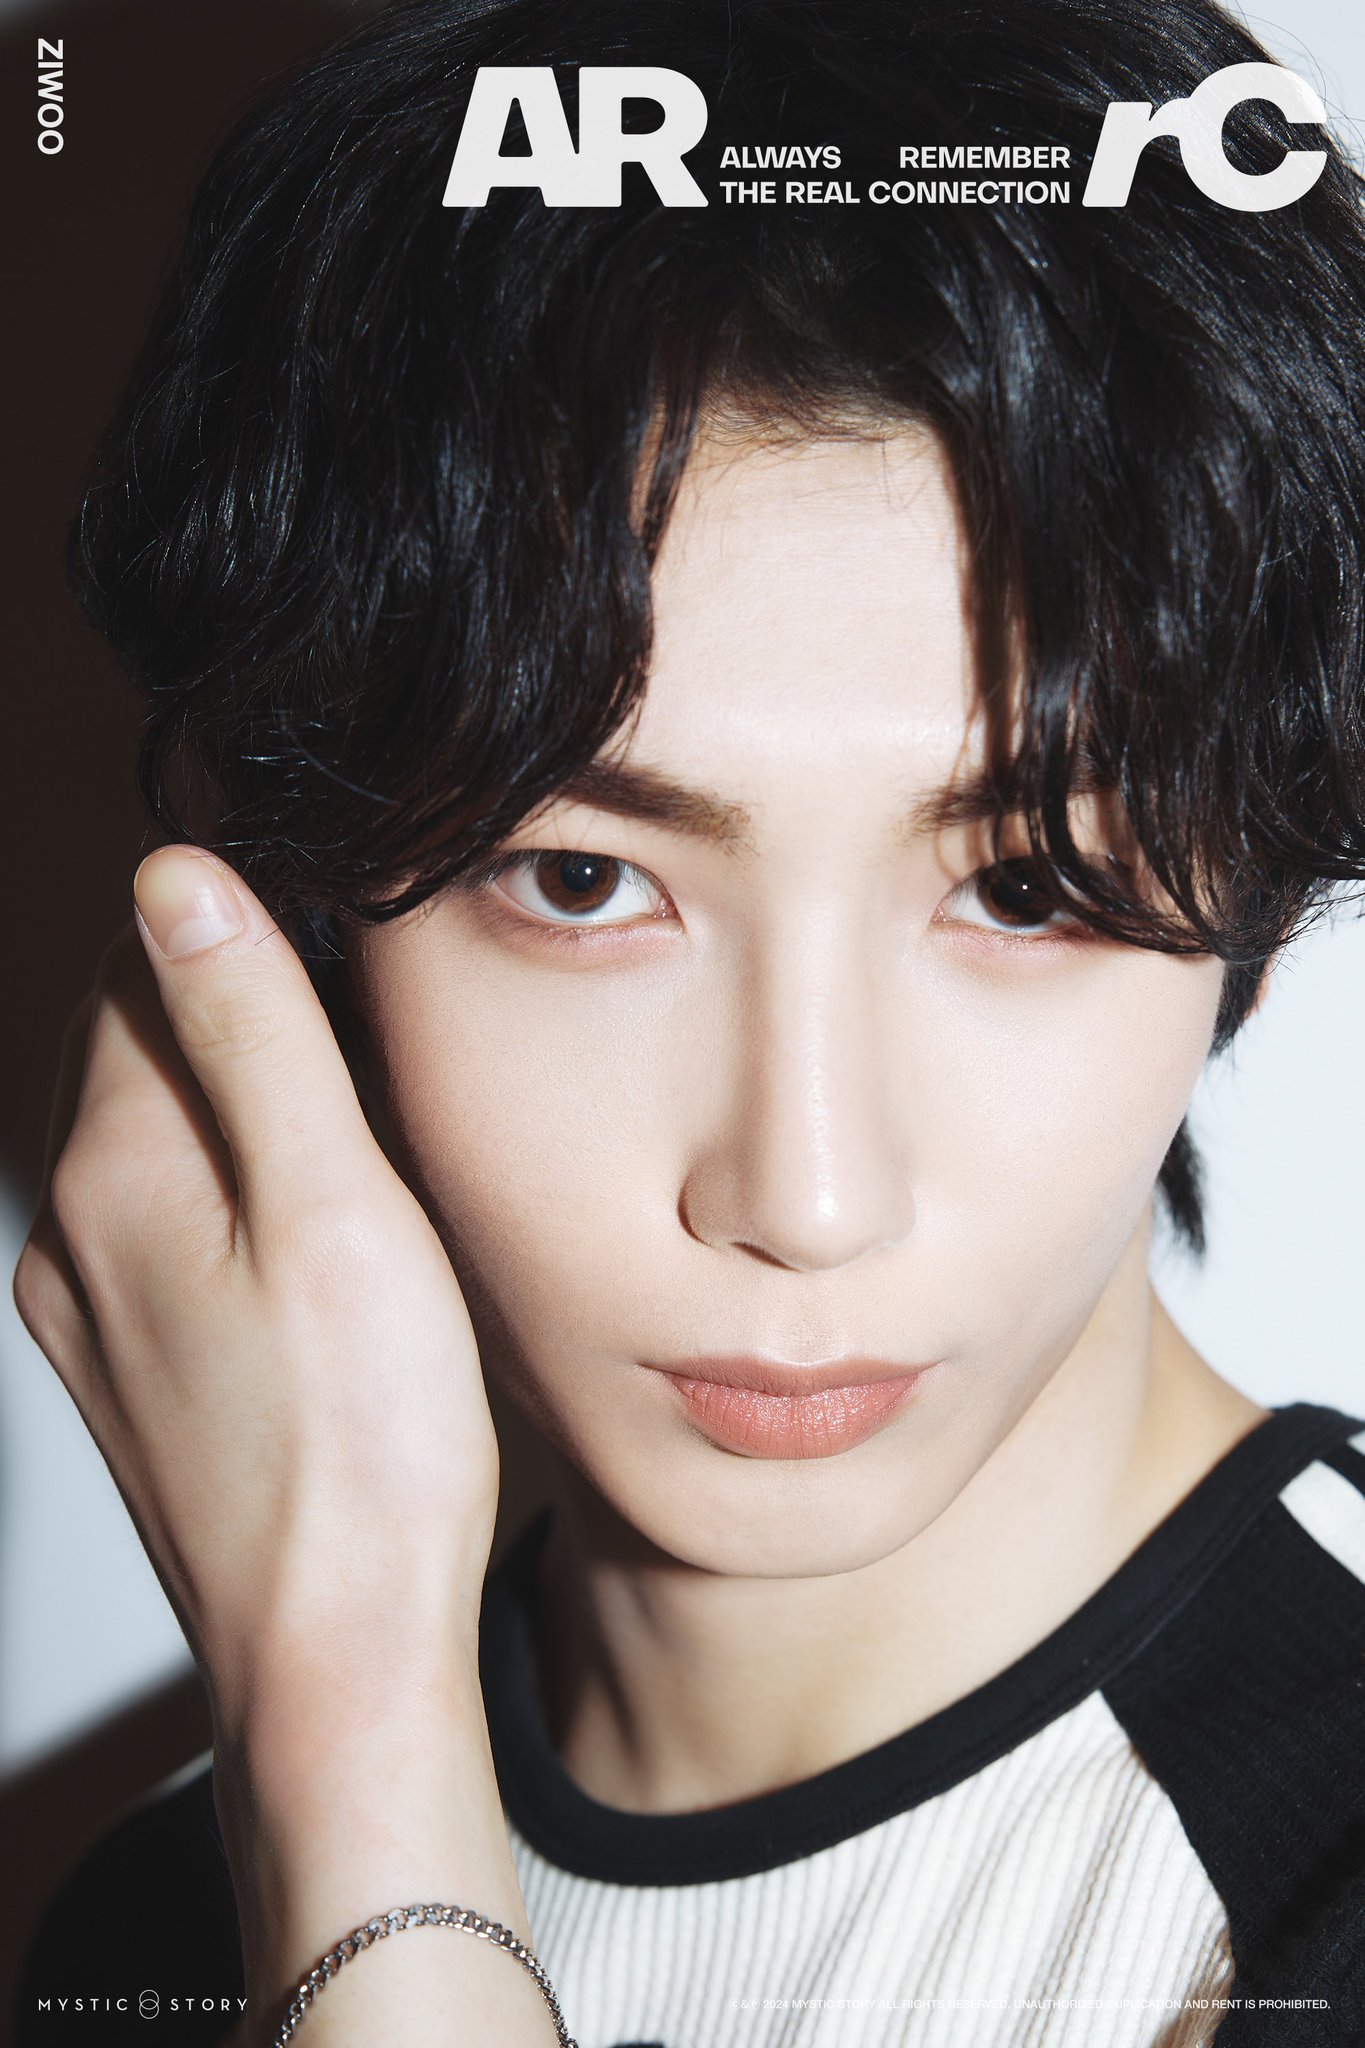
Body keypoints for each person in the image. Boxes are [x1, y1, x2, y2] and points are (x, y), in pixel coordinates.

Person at [14, 0, 1365, 2043]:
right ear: (296, 925)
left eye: (1022, 886)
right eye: (581, 882)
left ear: (1248, 895)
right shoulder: (162, 1914)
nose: (802, 1198)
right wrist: (341, 1743)